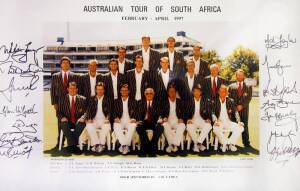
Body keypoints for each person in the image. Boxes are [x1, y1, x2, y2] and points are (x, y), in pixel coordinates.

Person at [50, 56, 79, 150]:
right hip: (60, 104)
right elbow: (53, 91)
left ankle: (74, 142)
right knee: (61, 122)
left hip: (72, 102)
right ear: (61, 64)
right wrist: (54, 103)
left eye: (67, 63)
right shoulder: (55, 76)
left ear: (69, 65)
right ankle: (60, 142)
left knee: (73, 121)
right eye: (64, 63)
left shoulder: (74, 75)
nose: (65, 64)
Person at [212, 85, 244, 152]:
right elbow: (212, 113)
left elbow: (235, 112)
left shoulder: (230, 101)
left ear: (226, 93)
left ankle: (230, 144)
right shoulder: (214, 101)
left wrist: (239, 121)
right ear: (218, 92)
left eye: (224, 92)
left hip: (228, 122)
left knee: (241, 127)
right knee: (215, 129)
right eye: (221, 92)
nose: (222, 93)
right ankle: (225, 144)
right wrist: (215, 120)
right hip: (219, 122)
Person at [56, 81, 86, 154]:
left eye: (74, 89)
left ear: (77, 90)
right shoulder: (62, 99)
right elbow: (58, 112)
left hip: (77, 121)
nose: (72, 90)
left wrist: (82, 117)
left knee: (81, 124)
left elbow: (86, 112)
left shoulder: (83, 99)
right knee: (63, 123)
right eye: (71, 88)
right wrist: (62, 117)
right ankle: (74, 146)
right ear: (67, 89)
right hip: (66, 121)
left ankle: (70, 145)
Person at [84, 82, 113, 153]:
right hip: (94, 120)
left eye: (101, 89)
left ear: (104, 90)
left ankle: (101, 144)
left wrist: (107, 118)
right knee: (89, 125)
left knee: (106, 126)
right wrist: (89, 118)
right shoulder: (91, 99)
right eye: (98, 89)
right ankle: (98, 144)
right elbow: (88, 110)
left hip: (104, 120)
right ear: (96, 90)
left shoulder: (108, 99)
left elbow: (110, 111)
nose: (100, 91)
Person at [136, 88, 164, 157]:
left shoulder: (157, 103)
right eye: (147, 93)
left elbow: (160, 113)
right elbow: (137, 114)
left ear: (153, 94)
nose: (149, 95)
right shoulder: (140, 102)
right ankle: (150, 147)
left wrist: (160, 119)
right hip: (144, 122)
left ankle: (149, 146)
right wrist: (138, 120)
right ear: (144, 94)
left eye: (151, 93)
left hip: (154, 122)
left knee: (160, 128)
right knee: (139, 127)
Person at [228, 69, 252, 147]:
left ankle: (246, 142)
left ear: (243, 76)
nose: (240, 77)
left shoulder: (248, 86)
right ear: (236, 76)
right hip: (234, 110)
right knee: (234, 125)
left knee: (244, 125)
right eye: (238, 75)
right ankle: (230, 141)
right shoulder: (231, 86)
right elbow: (229, 98)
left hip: (244, 109)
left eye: (241, 75)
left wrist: (242, 105)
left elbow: (249, 98)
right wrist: (234, 107)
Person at [113, 84, 138, 154]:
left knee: (133, 125)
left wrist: (135, 119)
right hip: (120, 120)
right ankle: (125, 145)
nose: (124, 92)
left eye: (126, 90)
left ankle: (123, 145)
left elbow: (137, 112)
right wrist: (115, 118)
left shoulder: (134, 101)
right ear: (120, 91)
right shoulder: (116, 101)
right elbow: (113, 112)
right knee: (116, 125)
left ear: (129, 91)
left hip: (129, 120)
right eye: (122, 90)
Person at [186, 84, 212, 152]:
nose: (197, 93)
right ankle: (198, 144)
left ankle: (198, 143)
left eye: (198, 91)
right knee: (189, 126)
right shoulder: (189, 101)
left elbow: (209, 111)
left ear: (201, 92)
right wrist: (188, 119)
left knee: (209, 125)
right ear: (193, 92)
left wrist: (208, 119)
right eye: (195, 91)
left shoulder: (205, 101)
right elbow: (186, 112)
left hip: (202, 120)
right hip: (193, 120)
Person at [161, 84, 186, 153]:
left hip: (176, 122)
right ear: (168, 93)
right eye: (170, 91)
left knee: (183, 125)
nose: (172, 93)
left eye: (173, 91)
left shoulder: (179, 101)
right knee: (164, 125)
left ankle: (172, 144)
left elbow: (184, 113)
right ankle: (174, 145)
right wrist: (164, 118)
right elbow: (161, 113)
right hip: (168, 121)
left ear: (176, 92)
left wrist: (181, 118)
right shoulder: (164, 102)